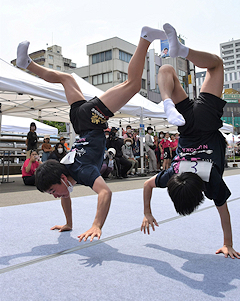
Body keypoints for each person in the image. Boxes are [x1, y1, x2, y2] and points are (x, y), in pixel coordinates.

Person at [16, 25, 167, 242]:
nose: (55, 195)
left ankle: (145, 38)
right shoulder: (64, 172)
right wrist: (68, 223)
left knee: (132, 85)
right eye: (52, 194)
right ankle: (27, 64)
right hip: (79, 120)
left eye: (52, 190)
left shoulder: (82, 171)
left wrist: (96, 225)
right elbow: (65, 196)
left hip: (90, 120)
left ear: (61, 178)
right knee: (66, 78)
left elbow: (105, 193)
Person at [141, 23, 240, 259]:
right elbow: (147, 185)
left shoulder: (211, 180)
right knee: (166, 69)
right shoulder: (173, 172)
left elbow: (223, 212)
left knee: (215, 65)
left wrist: (228, 243)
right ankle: (167, 101)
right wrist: (146, 211)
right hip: (184, 125)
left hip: (206, 123)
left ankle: (183, 53)